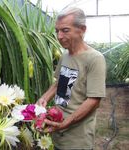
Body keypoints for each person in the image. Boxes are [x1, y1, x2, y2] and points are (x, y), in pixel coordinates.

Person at [37, 7, 106, 150]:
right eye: (57, 31)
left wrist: (66, 122)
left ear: (82, 29)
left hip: (77, 139)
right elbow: (58, 84)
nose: (59, 36)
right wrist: (43, 99)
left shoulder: (95, 59)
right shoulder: (65, 55)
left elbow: (94, 100)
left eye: (65, 30)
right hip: (58, 132)